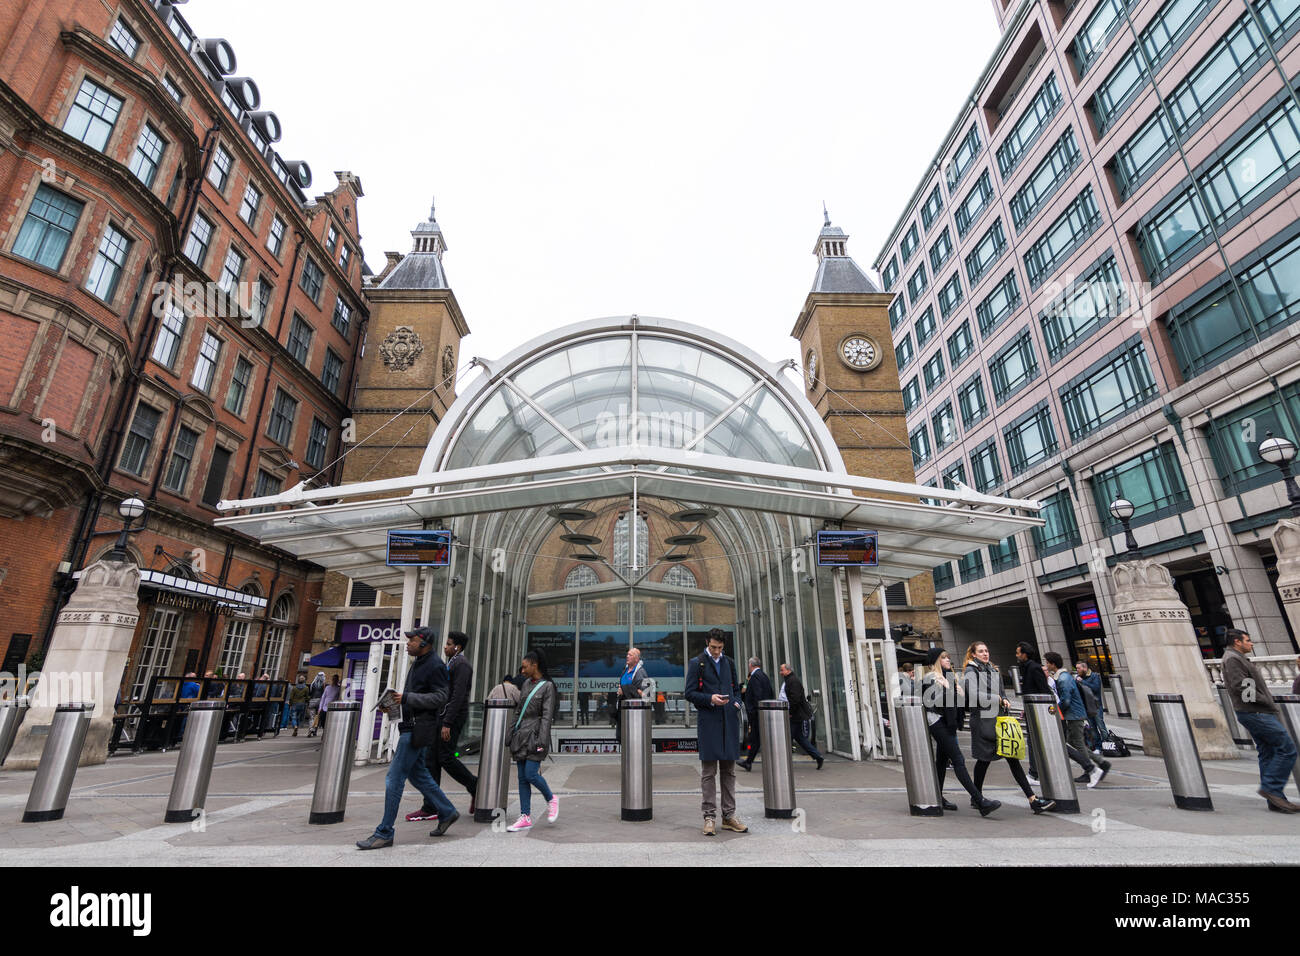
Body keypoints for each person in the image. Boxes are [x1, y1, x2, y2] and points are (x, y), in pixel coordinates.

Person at [355, 627, 458, 849]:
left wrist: (407, 697)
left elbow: (441, 697)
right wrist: (393, 704)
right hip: (410, 726)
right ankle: (447, 811)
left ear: (425, 643)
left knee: (394, 778)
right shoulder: (419, 662)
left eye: (412, 639)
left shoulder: (435, 665)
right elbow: (412, 698)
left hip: (418, 729)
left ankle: (384, 832)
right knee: (419, 776)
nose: (408, 643)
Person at [961, 642, 1054, 814]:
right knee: (983, 760)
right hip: (982, 721)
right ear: (973, 654)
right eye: (981, 651)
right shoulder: (971, 671)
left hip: (998, 719)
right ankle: (977, 796)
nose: (985, 653)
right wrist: (996, 698)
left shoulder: (993, 669)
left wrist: (1005, 699)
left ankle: (1032, 800)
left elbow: (1002, 692)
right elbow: (973, 695)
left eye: (986, 650)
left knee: (1011, 757)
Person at [1222, 628, 1300, 813]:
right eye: (1248, 640)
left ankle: (1275, 800)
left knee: (1268, 753)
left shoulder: (1236, 658)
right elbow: (1241, 686)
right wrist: (1266, 701)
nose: (1251, 643)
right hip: (1256, 712)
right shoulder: (1233, 659)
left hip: (1254, 711)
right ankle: (1272, 789)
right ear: (1237, 642)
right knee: (1287, 749)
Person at [684, 629, 748, 836]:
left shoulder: (729, 662)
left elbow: (736, 690)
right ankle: (709, 817)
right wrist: (710, 699)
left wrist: (736, 704)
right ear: (707, 643)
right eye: (713, 648)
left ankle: (729, 816)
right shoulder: (697, 663)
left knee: (729, 771)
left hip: (728, 722)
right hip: (709, 723)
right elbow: (689, 693)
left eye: (720, 648)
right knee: (709, 772)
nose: (716, 652)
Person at [408, 632, 478, 822]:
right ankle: (432, 805)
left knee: (445, 757)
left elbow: (457, 695)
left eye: (448, 644)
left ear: (458, 647)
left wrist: (447, 722)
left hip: (452, 717)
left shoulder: (461, 665)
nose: (445, 647)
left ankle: (474, 785)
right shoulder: (453, 663)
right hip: (444, 716)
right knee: (433, 758)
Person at [923, 647, 1000, 816]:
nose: (948, 660)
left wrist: (959, 692)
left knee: (941, 762)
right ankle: (980, 801)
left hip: (949, 723)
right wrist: (950, 690)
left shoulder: (949, 678)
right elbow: (937, 702)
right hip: (937, 722)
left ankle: (938, 797)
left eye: (948, 657)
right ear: (936, 661)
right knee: (958, 759)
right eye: (943, 658)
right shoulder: (931, 678)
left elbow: (959, 703)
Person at [505, 649, 558, 832]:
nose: (522, 670)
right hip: (521, 736)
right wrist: (510, 733)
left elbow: (546, 716)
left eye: (525, 666)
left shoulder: (548, 687)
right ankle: (525, 816)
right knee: (521, 777)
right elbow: (519, 711)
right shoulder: (526, 684)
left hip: (535, 736)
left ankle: (551, 798)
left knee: (531, 774)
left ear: (535, 665)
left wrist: (542, 741)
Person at [1044, 652, 1110, 788]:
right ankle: (1101, 763)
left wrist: (1055, 710)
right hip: (1074, 715)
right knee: (1074, 742)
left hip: (1074, 715)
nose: (1046, 665)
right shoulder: (1064, 677)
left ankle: (1090, 770)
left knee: (1078, 744)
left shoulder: (1063, 679)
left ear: (1052, 664)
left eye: (1047, 663)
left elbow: (1066, 700)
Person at [779, 663, 823, 769]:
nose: (780, 672)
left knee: (787, 737)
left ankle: (784, 762)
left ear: (788, 671)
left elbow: (795, 699)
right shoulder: (790, 680)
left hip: (796, 715)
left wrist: (791, 712)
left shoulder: (792, 681)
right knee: (799, 738)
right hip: (796, 714)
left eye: (782, 670)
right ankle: (817, 756)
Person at [738, 656, 774, 772]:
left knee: (756, 737)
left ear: (751, 665)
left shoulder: (756, 677)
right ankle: (748, 762)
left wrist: (754, 711)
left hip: (757, 714)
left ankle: (749, 762)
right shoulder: (763, 676)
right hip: (761, 713)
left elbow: (758, 695)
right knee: (756, 738)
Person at [615, 647, 649, 743]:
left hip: (634, 713)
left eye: (630, 655)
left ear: (637, 659)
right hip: (623, 711)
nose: (627, 656)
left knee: (632, 740)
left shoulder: (641, 672)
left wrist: (625, 690)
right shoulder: (625, 671)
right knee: (621, 738)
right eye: (627, 654)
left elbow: (647, 694)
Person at [1075, 660, 1107, 752]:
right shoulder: (1077, 678)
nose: (1077, 670)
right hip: (1086, 706)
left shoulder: (1094, 676)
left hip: (1096, 706)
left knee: (1101, 726)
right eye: (1076, 668)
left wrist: (1083, 682)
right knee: (1092, 727)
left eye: (1078, 668)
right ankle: (1098, 747)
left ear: (1085, 668)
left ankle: (1106, 744)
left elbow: (1095, 688)